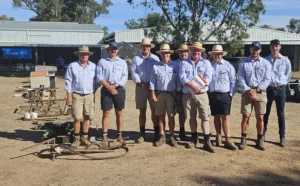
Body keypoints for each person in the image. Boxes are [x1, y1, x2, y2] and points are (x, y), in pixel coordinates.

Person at [179, 41, 215, 153]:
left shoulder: (206, 63)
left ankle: (206, 141)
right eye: (194, 50)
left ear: (201, 51)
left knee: (205, 117)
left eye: (198, 50)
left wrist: (199, 88)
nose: (196, 52)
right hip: (188, 94)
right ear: (190, 50)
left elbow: (208, 78)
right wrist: (193, 87)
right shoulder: (184, 63)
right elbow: (182, 77)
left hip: (202, 94)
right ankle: (194, 139)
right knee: (191, 117)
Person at [238, 41, 271, 151]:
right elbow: (241, 78)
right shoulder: (243, 63)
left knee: (260, 117)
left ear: (260, 50)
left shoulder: (266, 63)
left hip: (260, 92)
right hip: (247, 92)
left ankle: (260, 139)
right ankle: (243, 138)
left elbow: (267, 79)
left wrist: (256, 90)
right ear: (250, 50)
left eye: (257, 49)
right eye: (253, 49)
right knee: (245, 116)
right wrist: (249, 90)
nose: (255, 51)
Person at [65, 46, 97, 148]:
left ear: (88, 56)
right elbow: (68, 81)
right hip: (77, 95)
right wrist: (69, 96)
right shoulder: (72, 66)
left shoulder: (93, 67)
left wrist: (93, 92)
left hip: (89, 94)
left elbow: (97, 81)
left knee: (87, 116)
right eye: (82, 54)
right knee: (77, 118)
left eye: (86, 54)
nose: (84, 56)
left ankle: (85, 138)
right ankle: (76, 139)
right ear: (79, 55)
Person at [150, 44, 182, 147]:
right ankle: (162, 135)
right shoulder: (155, 67)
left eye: (167, 53)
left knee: (171, 116)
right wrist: (153, 94)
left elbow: (178, 81)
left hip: (171, 94)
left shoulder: (176, 66)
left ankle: (171, 136)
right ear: (160, 54)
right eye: (163, 53)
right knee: (160, 116)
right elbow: (152, 82)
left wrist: (178, 95)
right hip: (159, 93)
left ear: (170, 54)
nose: (165, 55)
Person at [97, 42, 128, 146]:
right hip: (106, 89)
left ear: (118, 50)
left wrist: (115, 86)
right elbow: (99, 76)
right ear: (108, 50)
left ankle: (119, 134)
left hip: (118, 89)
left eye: (115, 49)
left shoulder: (123, 62)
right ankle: (105, 135)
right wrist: (109, 87)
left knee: (119, 112)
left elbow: (124, 77)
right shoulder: (102, 62)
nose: (114, 50)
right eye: (112, 49)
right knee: (106, 113)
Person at [208, 45, 237, 150]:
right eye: (215, 54)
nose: (217, 56)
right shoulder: (209, 66)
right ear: (212, 55)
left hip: (225, 94)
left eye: (219, 54)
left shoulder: (228, 66)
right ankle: (218, 135)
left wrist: (231, 94)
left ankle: (227, 138)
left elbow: (233, 81)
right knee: (216, 116)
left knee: (225, 116)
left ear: (222, 54)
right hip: (213, 94)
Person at [131, 39, 160, 143]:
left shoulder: (156, 58)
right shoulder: (136, 59)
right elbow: (134, 73)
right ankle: (142, 133)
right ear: (141, 47)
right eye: (144, 46)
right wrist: (142, 84)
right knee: (142, 111)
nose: (146, 48)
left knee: (154, 111)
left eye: (147, 46)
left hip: (152, 88)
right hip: (141, 87)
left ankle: (156, 132)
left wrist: (151, 85)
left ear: (150, 47)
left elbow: (158, 73)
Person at [263, 39, 291, 147]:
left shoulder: (285, 61)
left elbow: (287, 76)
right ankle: (262, 135)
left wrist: (281, 84)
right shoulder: (265, 60)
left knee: (281, 114)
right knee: (265, 113)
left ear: (280, 47)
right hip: (269, 89)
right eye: (273, 46)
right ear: (270, 47)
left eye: (277, 46)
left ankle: (282, 137)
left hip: (280, 90)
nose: (275, 48)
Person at [175, 44, 189, 141]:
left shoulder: (192, 63)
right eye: (181, 52)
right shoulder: (174, 64)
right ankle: (181, 130)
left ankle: (193, 132)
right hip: (177, 91)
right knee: (180, 112)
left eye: (185, 51)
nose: (183, 53)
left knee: (191, 113)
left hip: (189, 91)